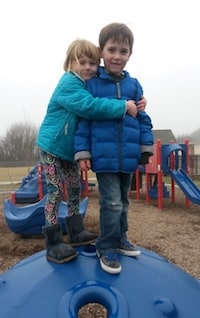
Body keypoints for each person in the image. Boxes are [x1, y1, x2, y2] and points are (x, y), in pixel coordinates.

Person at [36, 38, 145, 265]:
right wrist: (123, 106)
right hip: (51, 147)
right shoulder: (69, 83)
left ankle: (76, 231)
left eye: (92, 64)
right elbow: (90, 106)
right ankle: (53, 241)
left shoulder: (88, 83)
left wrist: (139, 100)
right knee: (56, 192)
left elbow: (108, 87)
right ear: (70, 63)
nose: (88, 68)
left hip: (68, 151)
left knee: (75, 188)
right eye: (81, 62)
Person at [74, 23, 154, 274]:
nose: (117, 56)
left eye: (123, 50)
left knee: (125, 203)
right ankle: (106, 245)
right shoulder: (93, 84)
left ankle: (120, 238)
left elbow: (142, 118)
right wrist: (83, 152)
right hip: (104, 157)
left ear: (130, 54)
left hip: (128, 157)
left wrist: (145, 147)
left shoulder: (134, 86)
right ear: (101, 51)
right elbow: (84, 119)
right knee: (112, 203)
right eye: (111, 50)